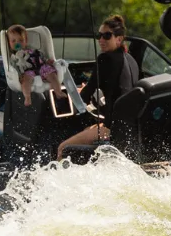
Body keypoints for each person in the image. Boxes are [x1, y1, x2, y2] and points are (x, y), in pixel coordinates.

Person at [56, 14, 139, 161]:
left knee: (63, 148)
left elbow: (84, 98)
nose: (101, 40)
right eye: (99, 35)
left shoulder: (105, 59)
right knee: (88, 130)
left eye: (107, 36)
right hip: (129, 129)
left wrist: (78, 93)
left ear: (119, 39)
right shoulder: (131, 60)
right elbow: (119, 93)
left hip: (111, 129)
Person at [7, 24, 64, 108]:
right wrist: (18, 75)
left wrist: (48, 62)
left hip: (42, 67)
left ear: (25, 41)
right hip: (28, 71)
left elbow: (42, 58)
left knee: (53, 76)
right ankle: (27, 97)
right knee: (25, 81)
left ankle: (58, 92)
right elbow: (14, 67)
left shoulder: (33, 50)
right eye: (13, 41)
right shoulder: (14, 56)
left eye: (20, 40)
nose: (17, 43)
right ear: (9, 43)